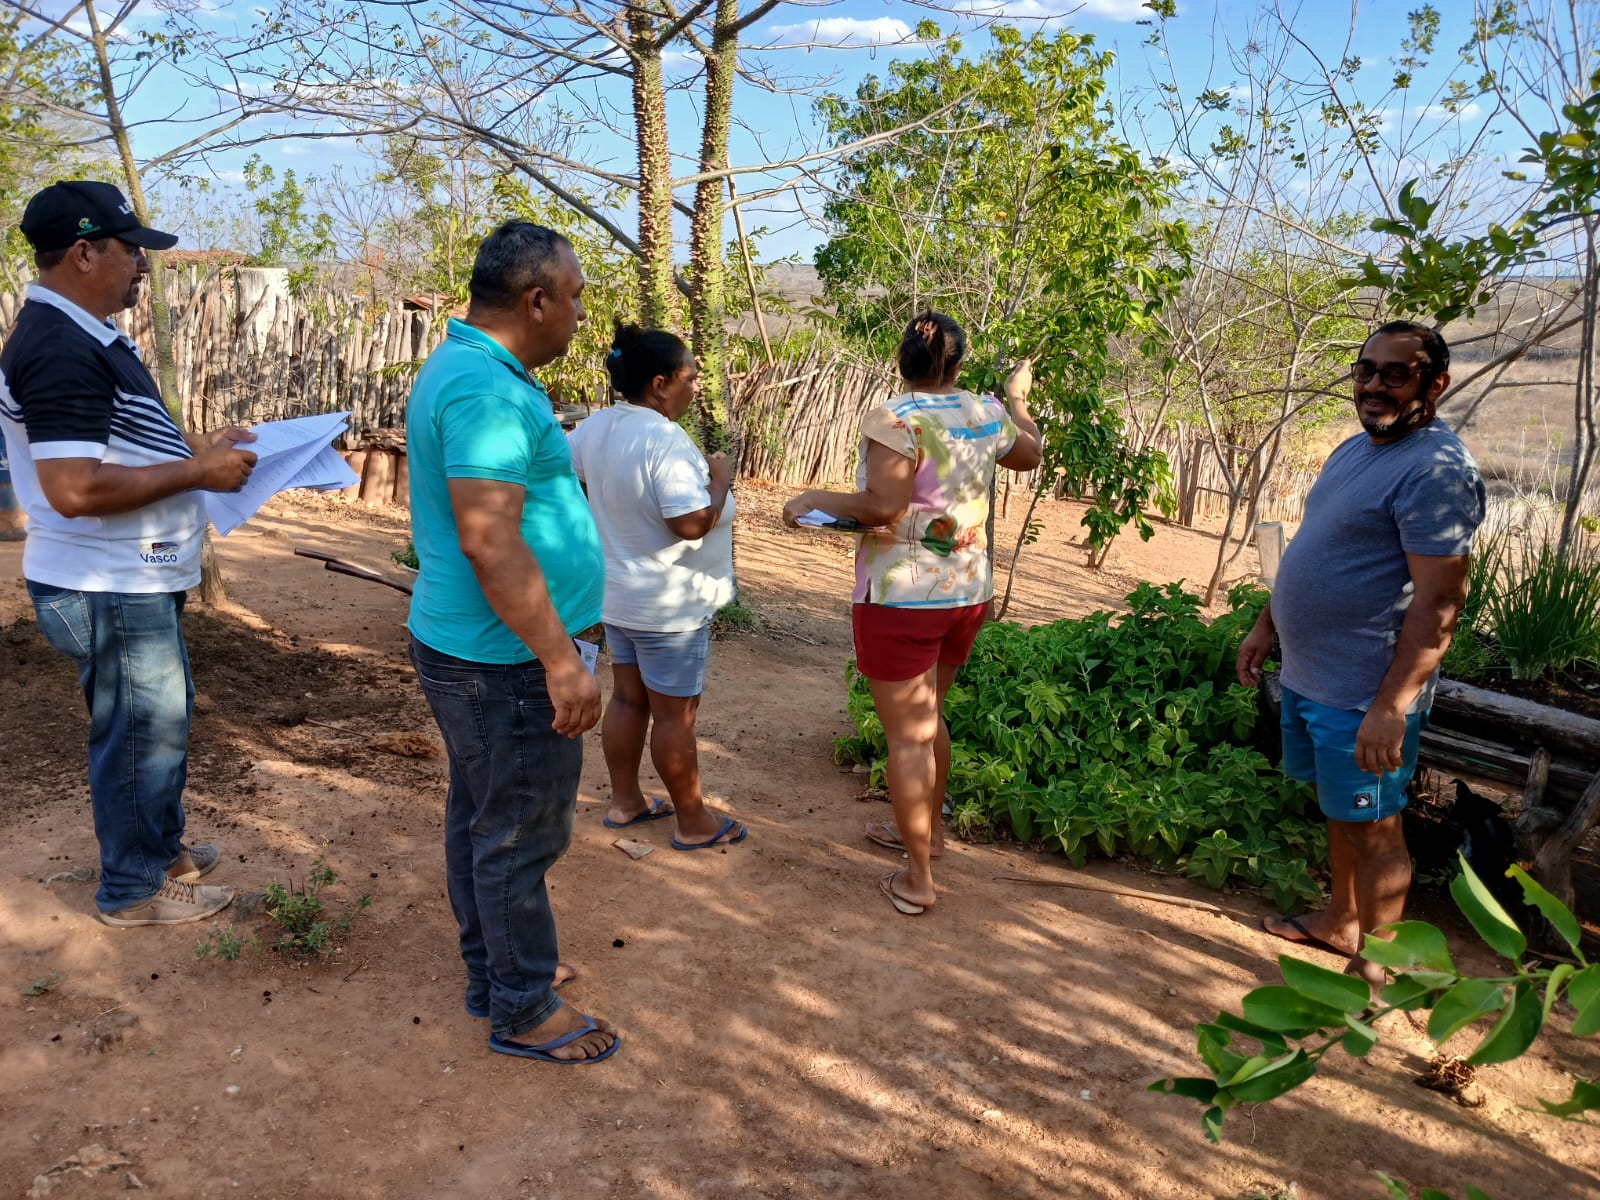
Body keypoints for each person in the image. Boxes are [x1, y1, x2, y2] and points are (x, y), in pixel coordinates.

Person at [0, 181, 258, 927]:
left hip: (119, 574)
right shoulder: (59, 348)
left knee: (151, 721)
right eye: (130, 250)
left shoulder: (81, 336)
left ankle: (158, 847)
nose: (142, 266)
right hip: (103, 578)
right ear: (84, 253)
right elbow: (74, 487)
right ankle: (135, 886)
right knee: (140, 728)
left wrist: (197, 449)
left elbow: (108, 448)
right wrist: (198, 472)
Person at [405, 220, 619, 1064]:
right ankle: (522, 1006)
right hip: (506, 660)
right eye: (572, 299)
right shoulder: (486, 392)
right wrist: (561, 658)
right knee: (519, 830)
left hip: (481, 649)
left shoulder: (477, 371)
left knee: (483, 815)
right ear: (535, 300)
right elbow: (490, 540)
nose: (576, 316)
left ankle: (498, 971)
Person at [1237, 320, 1485, 993]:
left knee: (1377, 824)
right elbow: (1313, 546)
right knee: (1340, 809)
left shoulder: (1436, 470)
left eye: (1394, 373)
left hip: (1364, 694)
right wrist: (1268, 624)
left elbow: (1439, 606)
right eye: (1365, 370)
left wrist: (1391, 706)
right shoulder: (1355, 451)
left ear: (1435, 384)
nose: (1373, 385)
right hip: (1314, 678)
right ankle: (1341, 920)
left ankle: (1378, 966)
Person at [782, 312, 1042, 914]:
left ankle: (918, 878)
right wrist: (1016, 399)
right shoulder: (984, 413)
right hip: (966, 592)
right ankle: (928, 835)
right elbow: (1028, 455)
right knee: (930, 718)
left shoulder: (895, 418)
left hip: (902, 596)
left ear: (903, 361)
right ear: (958, 362)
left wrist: (814, 498)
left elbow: (882, 506)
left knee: (906, 737)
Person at [566, 323, 747, 850]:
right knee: (675, 716)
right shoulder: (663, 439)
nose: (696, 388)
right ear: (662, 382)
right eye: (691, 378)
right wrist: (720, 479)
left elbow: (573, 475)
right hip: (669, 604)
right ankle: (693, 823)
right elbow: (689, 523)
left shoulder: (597, 428)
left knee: (627, 700)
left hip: (620, 593)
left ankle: (627, 802)